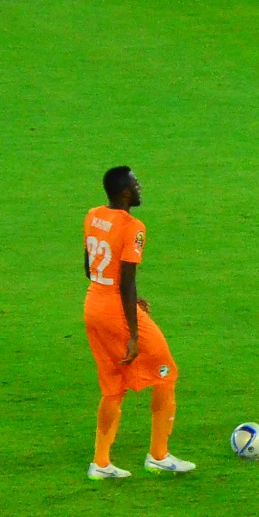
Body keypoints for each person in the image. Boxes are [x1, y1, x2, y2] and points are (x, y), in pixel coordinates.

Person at [83, 166, 193, 478]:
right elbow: (127, 281)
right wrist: (132, 331)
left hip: (93, 304)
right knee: (166, 371)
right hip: (116, 310)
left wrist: (128, 298)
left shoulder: (92, 215)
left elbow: (90, 268)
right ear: (125, 192)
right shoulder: (133, 227)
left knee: (113, 385)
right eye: (136, 183)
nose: (140, 187)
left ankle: (100, 463)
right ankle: (158, 455)